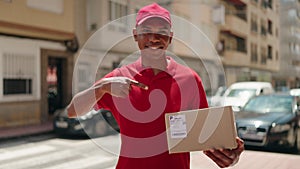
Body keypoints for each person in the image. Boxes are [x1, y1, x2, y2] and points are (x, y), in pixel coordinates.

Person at [67, 3, 244, 169]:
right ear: (136, 35)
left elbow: (205, 138)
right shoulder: (119, 78)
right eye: (146, 31)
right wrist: (101, 88)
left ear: (170, 37)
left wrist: (229, 152)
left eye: (162, 31)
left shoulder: (190, 80)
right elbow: (72, 111)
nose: (154, 38)